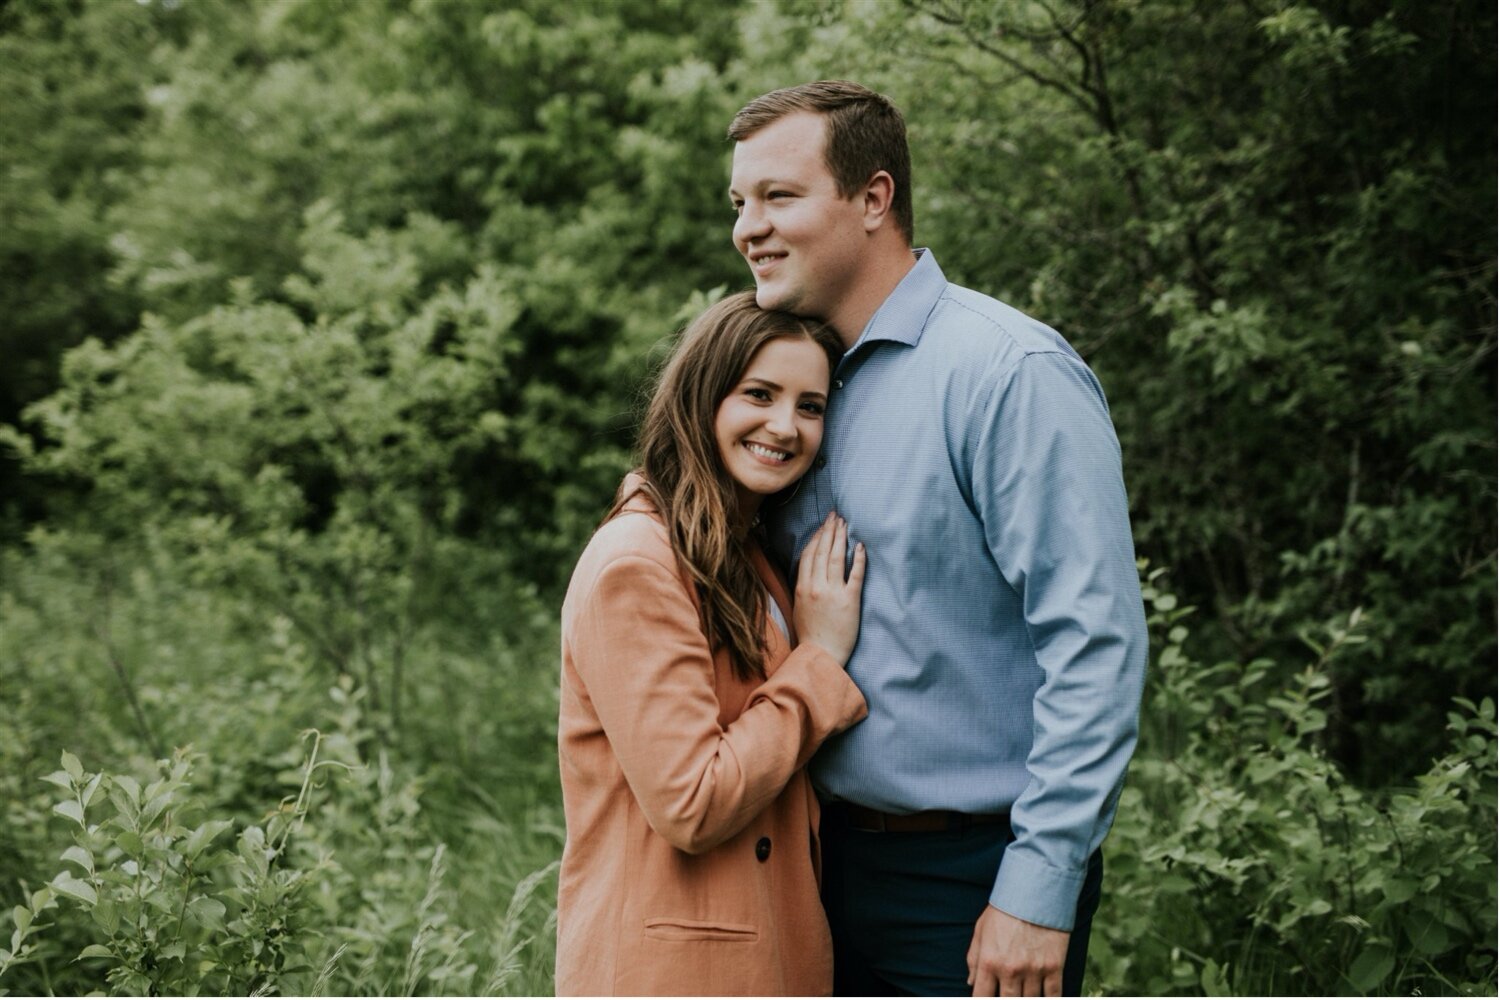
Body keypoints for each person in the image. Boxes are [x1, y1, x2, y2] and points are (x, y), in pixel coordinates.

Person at [726, 81, 1148, 997]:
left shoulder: (1009, 373)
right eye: (739, 203)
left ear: (873, 199)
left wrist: (1037, 891)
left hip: (970, 877)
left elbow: (1095, 643)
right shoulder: (787, 387)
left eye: (779, 197)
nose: (748, 227)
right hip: (807, 863)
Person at [554, 290, 871, 996]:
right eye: (759, 394)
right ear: (702, 398)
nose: (785, 426)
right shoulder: (637, 563)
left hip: (762, 951)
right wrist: (817, 662)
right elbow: (691, 801)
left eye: (810, 406)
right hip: (672, 969)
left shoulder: (742, 553)